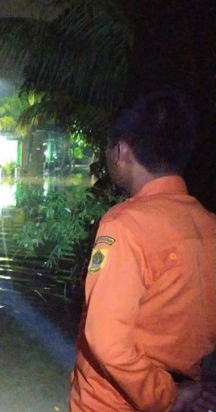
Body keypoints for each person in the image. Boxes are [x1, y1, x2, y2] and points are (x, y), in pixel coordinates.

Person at [69, 88, 216, 411]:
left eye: (108, 147)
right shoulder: (208, 225)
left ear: (121, 151)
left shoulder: (125, 227)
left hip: (115, 402)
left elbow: (107, 340)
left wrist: (166, 395)